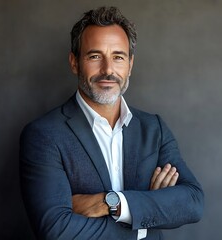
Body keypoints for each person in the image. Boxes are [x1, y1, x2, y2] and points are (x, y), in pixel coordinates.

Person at [19, 6, 204, 240]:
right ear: (74, 62)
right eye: (95, 56)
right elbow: (56, 230)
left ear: (130, 65)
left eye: (118, 57)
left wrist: (112, 203)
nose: (108, 70)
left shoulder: (153, 128)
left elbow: (193, 202)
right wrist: (145, 216)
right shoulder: (43, 135)